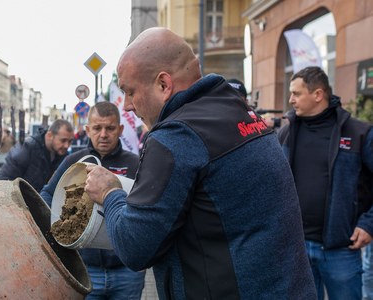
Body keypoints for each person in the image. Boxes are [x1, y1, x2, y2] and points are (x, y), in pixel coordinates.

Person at [83, 27, 316, 299]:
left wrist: (110, 193)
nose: (127, 107)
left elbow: (134, 247)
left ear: (163, 84)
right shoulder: (238, 110)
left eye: (130, 92)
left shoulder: (176, 136)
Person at [277, 66, 373, 300]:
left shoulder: (358, 133)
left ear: (318, 94)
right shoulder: (286, 132)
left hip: (341, 249)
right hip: (296, 248)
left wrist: (369, 223)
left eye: (296, 94)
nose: (291, 100)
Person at [40, 102, 145, 299]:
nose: (103, 134)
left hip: (127, 272)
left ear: (120, 129)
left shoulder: (135, 162)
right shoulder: (75, 162)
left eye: (110, 128)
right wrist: (57, 223)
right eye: (97, 128)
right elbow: (47, 194)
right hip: (86, 269)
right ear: (88, 129)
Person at [0, 119, 73, 192]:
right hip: (20, 202)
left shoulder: (63, 155)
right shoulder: (27, 147)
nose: (67, 146)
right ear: (49, 135)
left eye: (70, 141)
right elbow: (4, 181)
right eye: (63, 140)